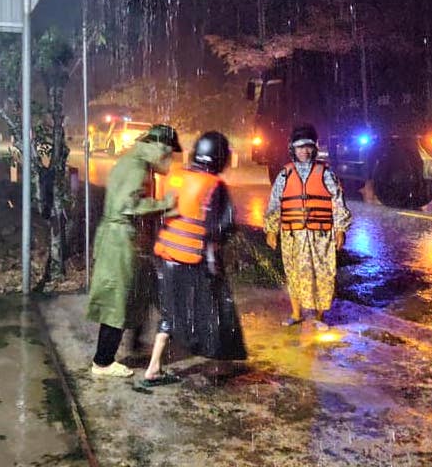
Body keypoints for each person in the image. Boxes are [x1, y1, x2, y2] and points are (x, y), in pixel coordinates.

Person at [142, 131, 247, 386]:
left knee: (170, 312)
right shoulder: (214, 185)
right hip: (193, 259)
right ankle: (219, 362)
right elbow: (221, 226)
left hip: (166, 255)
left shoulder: (177, 176)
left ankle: (153, 367)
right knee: (218, 309)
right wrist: (216, 262)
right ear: (220, 158)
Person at [86, 124, 182, 377]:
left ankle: (132, 345)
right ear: (158, 148)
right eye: (169, 153)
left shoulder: (133, 161)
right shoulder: (137, 167)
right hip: (119, 240)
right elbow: (127, 204)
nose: (170, 159)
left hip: (121, 238)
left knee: (135, 294)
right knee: (116, 301)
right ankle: (103, 362)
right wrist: (164, 204)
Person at [264, 124, 352, 330]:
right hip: (292, 235)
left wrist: (340, 229)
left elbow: (338, 202)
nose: (305, 151)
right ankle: (296, 314)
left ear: (314, 148)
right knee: (293, 273)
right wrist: (271, 229)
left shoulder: (326, 173)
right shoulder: (284, 175)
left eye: (308, 147)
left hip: (320, 235)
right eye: (300, 147)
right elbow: (275, 204)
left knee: (322, 273)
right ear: (292, 149)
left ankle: (319, 317)